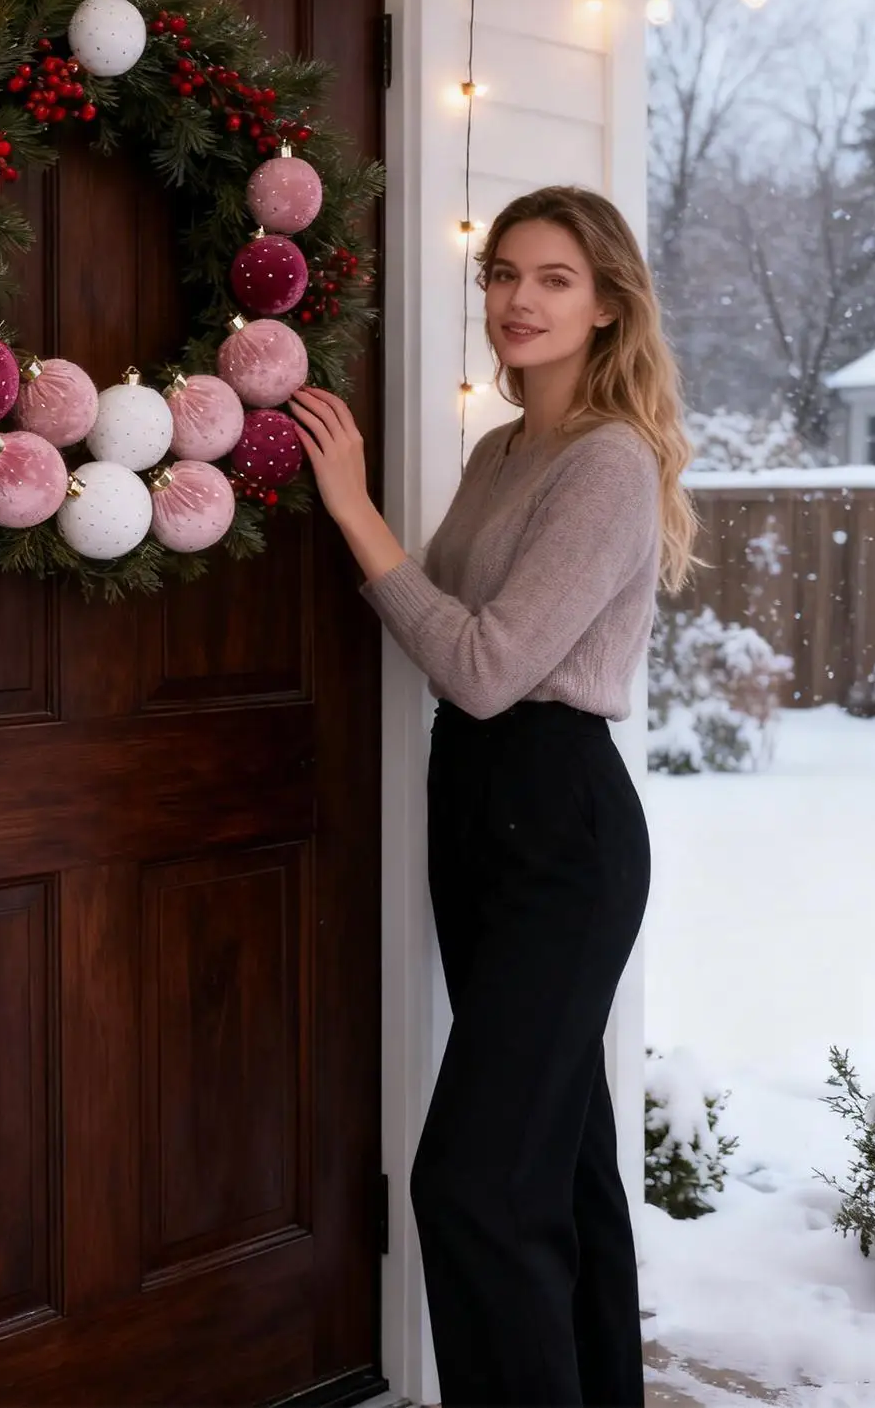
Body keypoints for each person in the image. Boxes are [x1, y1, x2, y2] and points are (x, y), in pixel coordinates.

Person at [290, 185, 696, 1408]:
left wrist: (355, 512)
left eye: (552, 278)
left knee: (469, 1184)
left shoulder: (609, 465)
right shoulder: (499, 448)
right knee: (559, 1166)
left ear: (608, 303)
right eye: (500, 273)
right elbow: (461, 643)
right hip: (475, 810)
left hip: (556, 823)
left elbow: (479, 665)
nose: (514, 299)